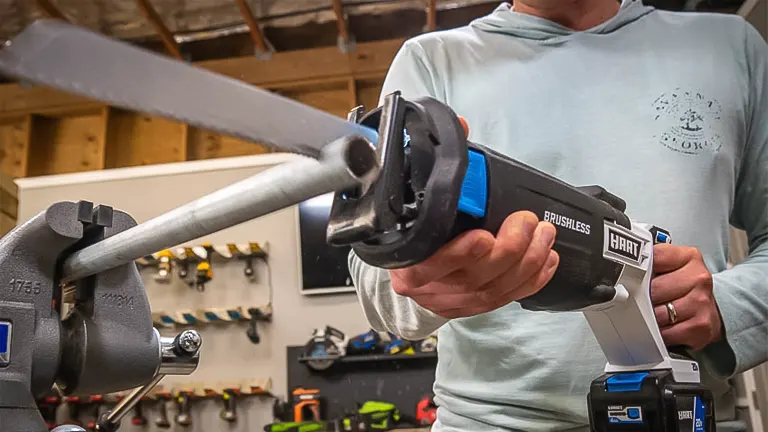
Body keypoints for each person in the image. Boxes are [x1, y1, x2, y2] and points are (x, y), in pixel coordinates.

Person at [347, 0, 768, 431]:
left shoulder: (727, 46)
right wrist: (423, 281)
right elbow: (377, 276)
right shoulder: (431, 61)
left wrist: (725, 308)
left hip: (687, 414)